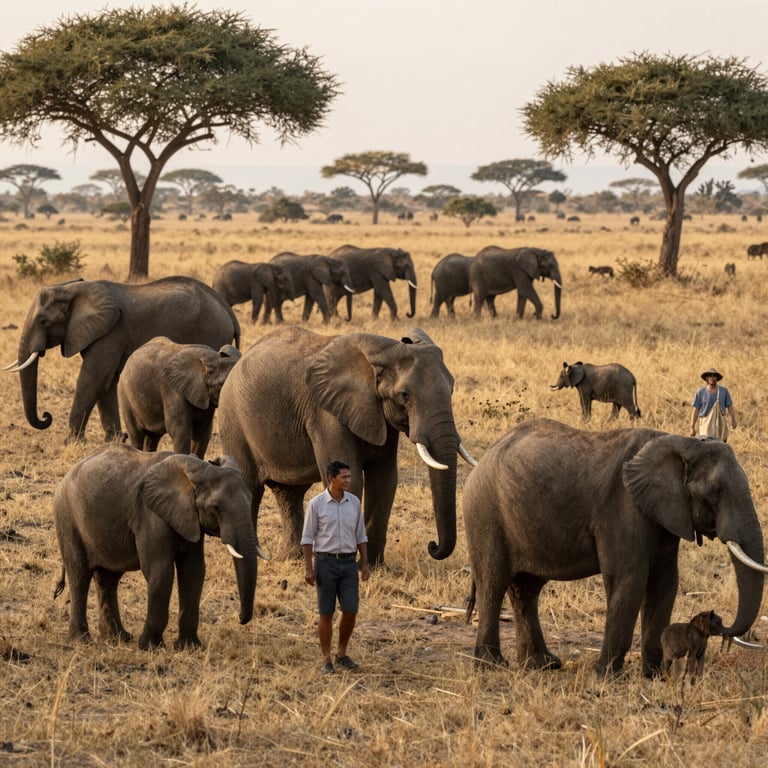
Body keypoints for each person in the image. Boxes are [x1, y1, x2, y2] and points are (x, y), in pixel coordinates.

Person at [301, 460, 370, 674]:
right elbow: (307, 538)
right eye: (344, 477)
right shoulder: (316, 504)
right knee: (326, 613)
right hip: (325, 563)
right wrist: (309, 568)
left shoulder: (354, 503)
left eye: (349, 477)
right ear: (332, 479)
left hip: (349, 563)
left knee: (350, 610)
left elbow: (360, 534)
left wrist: (365, 562)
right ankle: (326, 659)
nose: (349, 480)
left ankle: (341, 653)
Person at [690, 367, 737, 442]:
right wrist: (692, 426)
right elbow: (696, 410)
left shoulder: (723, 391)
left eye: (714, 376)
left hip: (720, 424)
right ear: (706, 378)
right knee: (706, 446)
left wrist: (733, 420)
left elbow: (730, 407)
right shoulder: (700, 392)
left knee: (720, 447)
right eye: (709, 376)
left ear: (717, 378)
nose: (712, 378)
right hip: (705, 424)